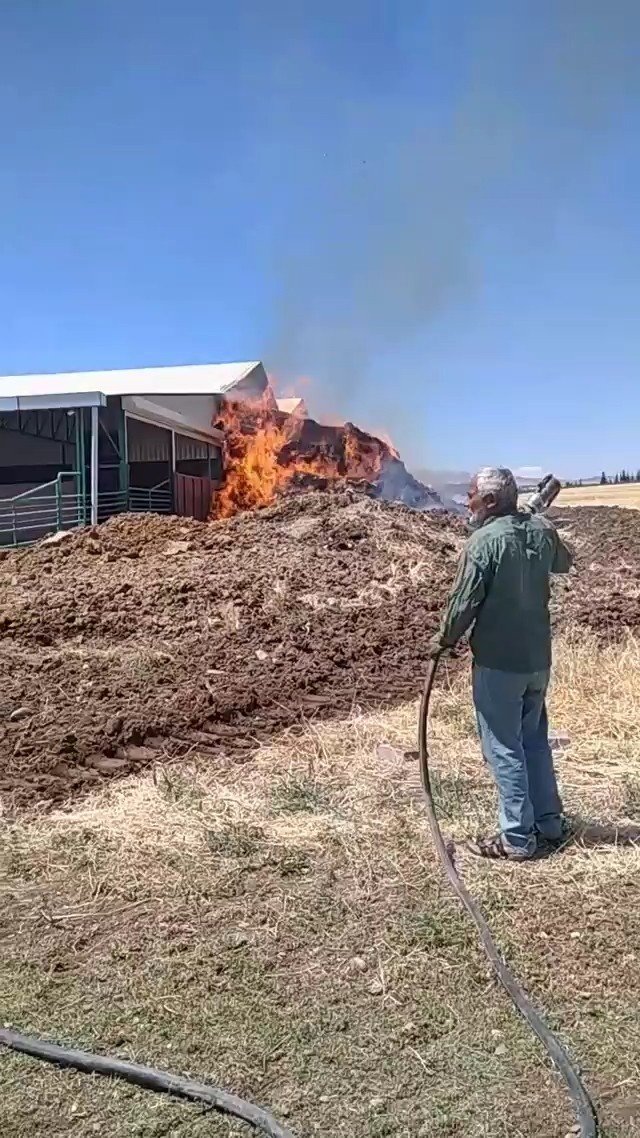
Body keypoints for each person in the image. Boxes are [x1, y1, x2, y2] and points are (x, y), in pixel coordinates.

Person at [429, 466, 573, 861]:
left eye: (473, 493)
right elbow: (563, 562)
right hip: (537, 661)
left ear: (490, 502)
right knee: (534, 742)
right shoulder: (540, 531)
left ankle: (516, 839)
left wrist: (443, 641)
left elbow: (463, 603)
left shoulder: (483, 542)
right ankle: (549, 823)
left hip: (499, 664)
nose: (468, 500)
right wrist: (536, 522)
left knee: (504, 748)